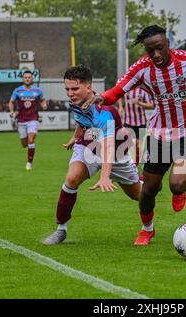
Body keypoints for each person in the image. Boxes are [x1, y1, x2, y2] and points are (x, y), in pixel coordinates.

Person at [84, 25, 186, 245]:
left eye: (160, 48)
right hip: (160, 135)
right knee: (149, 189)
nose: (156, 55)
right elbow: (118, 91)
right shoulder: (142, 68)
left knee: (177, 184)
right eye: (151, 51)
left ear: (168, 44)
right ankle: (147, 229)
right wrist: (102, 98)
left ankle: (179, 191)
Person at [42, 65, 142, 245]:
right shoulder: (76, 101)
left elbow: (108, 146)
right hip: (89, 144)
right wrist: (75, 137)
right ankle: (61, 230)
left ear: (89, 87)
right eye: (67, 89)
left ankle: (146, 181)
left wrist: (104, 177)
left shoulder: (103, 109)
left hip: (115, 151)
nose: (70, 93)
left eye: (74, 89)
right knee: (71, 179)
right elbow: (82, 120)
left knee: (140, 196)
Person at [8, 70, 47, 170]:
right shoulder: (17, 90)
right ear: (23, 79)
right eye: (25, 77)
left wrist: (44, 105)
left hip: (33, 119)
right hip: (21, 120)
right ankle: (28, 147)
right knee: (24, 143)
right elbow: (11, 102)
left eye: (29, 77)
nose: (27, 79)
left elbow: (42, 100)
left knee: (31, 140)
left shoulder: (38, 90)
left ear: (32, 78)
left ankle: (29, 162)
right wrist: (11, 111)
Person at [118, 87, 154, 166]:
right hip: (128, 121)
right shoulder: (126, 88)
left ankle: (136, 164)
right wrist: (120, 107)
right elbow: (120, 96)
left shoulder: (143, 91)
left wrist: (139, 103)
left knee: (138, 146)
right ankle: (130, 164)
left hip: (141, 122)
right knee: (131, 143)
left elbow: (151, 105)